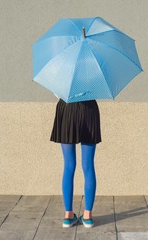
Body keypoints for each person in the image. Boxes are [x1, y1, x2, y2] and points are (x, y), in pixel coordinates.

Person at [50, 94, 101, 228]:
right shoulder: (92, 73)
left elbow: (57, 92)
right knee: (88, 166)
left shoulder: (61, 73)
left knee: (68, 165)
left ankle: (68, 216)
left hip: (66, 109)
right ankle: (87, 216)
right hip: (89, 109)